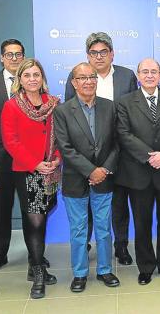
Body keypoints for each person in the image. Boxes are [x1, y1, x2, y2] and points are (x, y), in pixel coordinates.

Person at [65, 32, 137, 265]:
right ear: (88, 55)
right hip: (85, 159)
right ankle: (84, 245)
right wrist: (87, 165)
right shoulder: (76, 75)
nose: (99, 56)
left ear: (112, 54)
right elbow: (69, 114)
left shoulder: (127, 76)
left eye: (103, 52)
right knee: (85, 207)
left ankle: (121, 246)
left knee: (118, 204)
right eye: (94, 53)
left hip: (119, 153)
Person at [116, 58, 160, 285]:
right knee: (142, 223)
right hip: (139, 173)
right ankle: (145, 267)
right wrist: (150, 156)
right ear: (138, 76)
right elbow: (124, 134)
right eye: (145, 72)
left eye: (154, 71)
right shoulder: (125, 102)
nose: (149, 75)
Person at [0, 38, 48, 273]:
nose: (14, 58)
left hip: (32, 163)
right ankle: (1, 255)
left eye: (18, 54)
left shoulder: (42, 95)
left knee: (32, 210)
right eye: (9, 54)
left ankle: (35, 258)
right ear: (1, 57)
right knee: (1, 208)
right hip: (1, 159)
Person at [55, 63, 120, 292]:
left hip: (104, 179)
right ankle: (80, 273)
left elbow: (116, 143)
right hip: (75, 180)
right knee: (79, 229)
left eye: (92, 77)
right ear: (74, 83)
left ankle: (104, 269)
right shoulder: (62, 111)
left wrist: (103, 170)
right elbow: (65, 147)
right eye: (82, 78)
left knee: (103, 228)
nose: (88, 81)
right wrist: (90, 170)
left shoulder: (110, 107)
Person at [0, 58, 60, 299]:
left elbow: (60, 136)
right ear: (20, 80)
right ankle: (37, 274)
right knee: (34, 221)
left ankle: (34, 262)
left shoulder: (53, 103)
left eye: (36, 75)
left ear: (42, 78)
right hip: (27, 171)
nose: (33, 79)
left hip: (51, 170)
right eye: (27, 76)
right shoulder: (12, 106)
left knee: (42, 218)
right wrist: (35, 163)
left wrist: (56, 159)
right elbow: (10, 141)